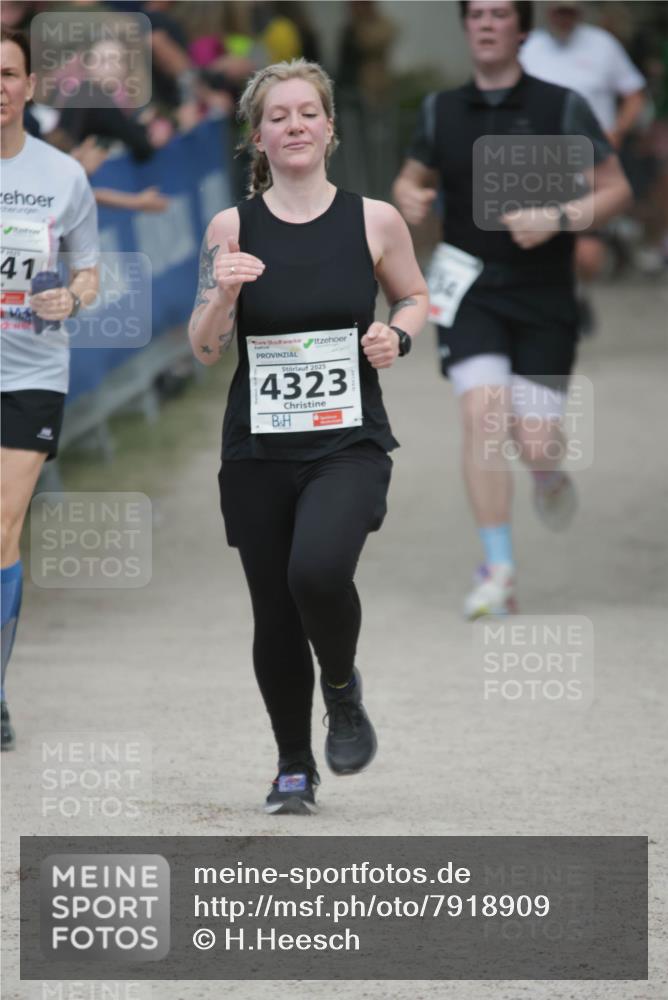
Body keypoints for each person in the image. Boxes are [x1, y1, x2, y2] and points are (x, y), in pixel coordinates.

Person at [188, 59, 428, 815]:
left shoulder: (374, 219)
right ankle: (293, 765)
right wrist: (224, 291)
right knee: (274, 609)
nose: (294, 125)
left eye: (308, 112)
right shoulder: (232, 227)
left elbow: (415, 296)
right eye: (278, 115)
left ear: (330, 127)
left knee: (317, 572)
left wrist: (398, 334)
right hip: (258, 451)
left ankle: (343, 689)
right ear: (257, 136)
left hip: (347, 442)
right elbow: (202, 346)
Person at [392, 0, 631, 619]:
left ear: (521, 30)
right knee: (484, 415)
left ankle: (549, 474)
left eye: (501, 14)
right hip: (469, 290)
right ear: (466, 28)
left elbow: (616, 189)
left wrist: (557, 218)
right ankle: (498, 569)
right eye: (477, 15)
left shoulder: (560, 105)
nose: (488, 23)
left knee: (534, 437)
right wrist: (410, 199)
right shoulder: (440, 109)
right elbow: (410, 177)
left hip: (544, 293)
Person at [0, 27, 100, 749]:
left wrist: (73, 296)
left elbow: (91, 269)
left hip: (31, 371)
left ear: (29, 87)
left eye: (7, 74)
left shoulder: (63, 175)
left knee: (1, 526)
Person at [520, 1, 646, 327]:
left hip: (590, 162)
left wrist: (617, 130)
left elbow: (635, 93)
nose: (564, 17)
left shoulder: (603, 45)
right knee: (536, 238)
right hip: (541, 161)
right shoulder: (529, 46)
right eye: (559, 10)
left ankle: (576, 291)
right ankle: (549, 305)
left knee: (587, 255)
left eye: (571, 10)